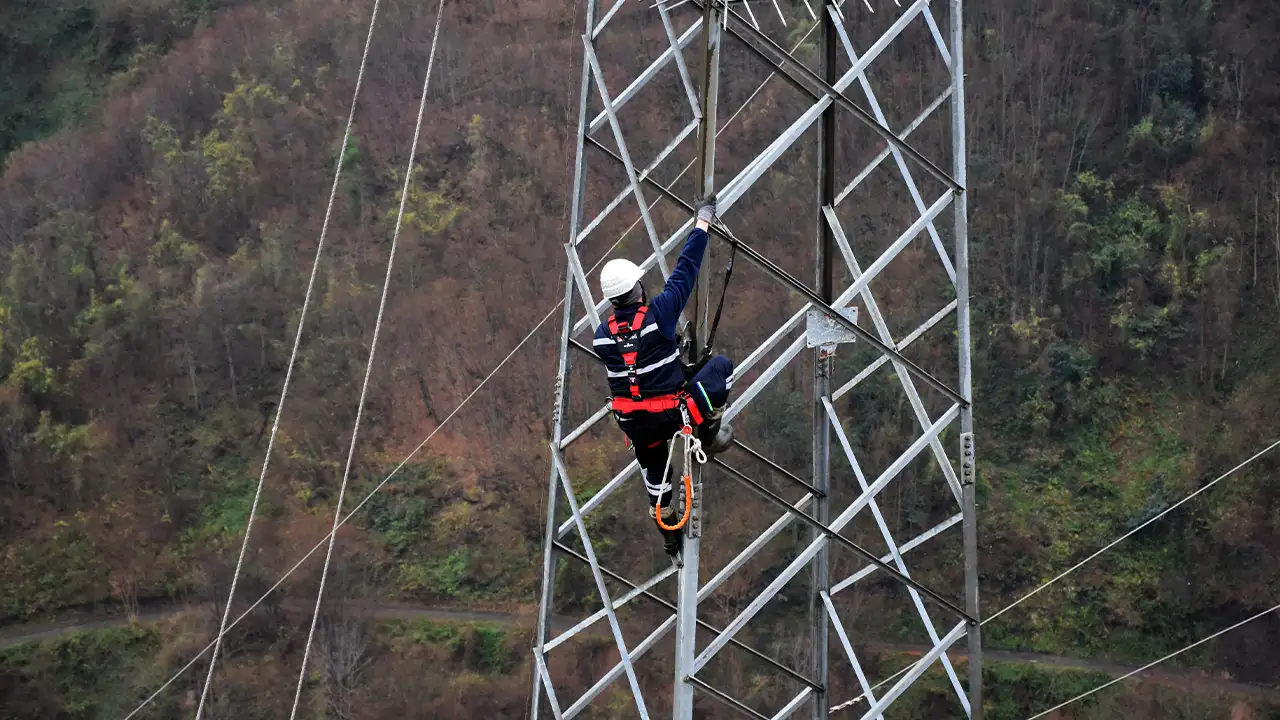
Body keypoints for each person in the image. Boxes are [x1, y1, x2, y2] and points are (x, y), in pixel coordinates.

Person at [594, 196, 735, 558]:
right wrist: (702, 221)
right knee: (721, 367)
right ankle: (709, 433)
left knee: (654, 471)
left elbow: (634, 365)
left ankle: (669, 533)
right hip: (674, 415)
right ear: (637, 289)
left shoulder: (601, 337)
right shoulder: (660, 313)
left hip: (636, 425)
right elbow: (687, 268)